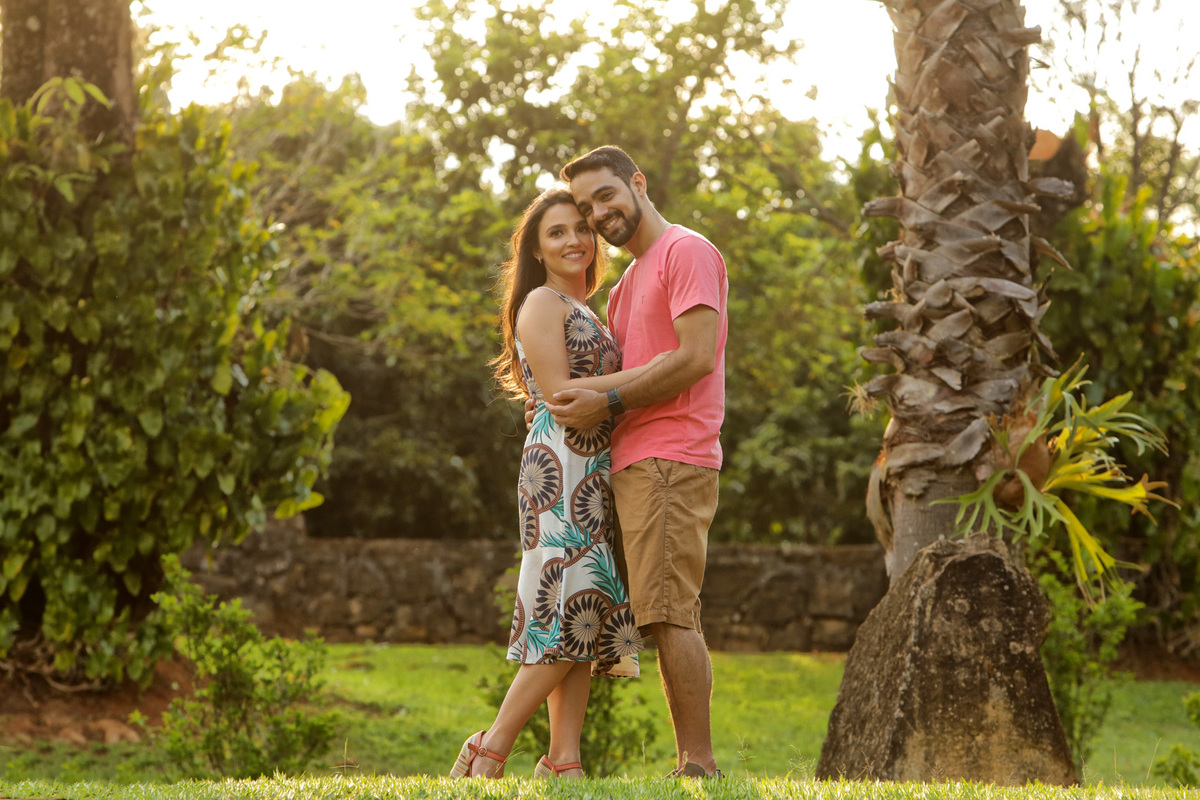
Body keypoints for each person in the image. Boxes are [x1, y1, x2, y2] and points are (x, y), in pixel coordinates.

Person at [450, 188, 666, 780]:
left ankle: (564, 760)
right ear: (537, 250)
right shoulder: (542, 302)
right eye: (557, 232)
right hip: (562, 466)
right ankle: (489, 747)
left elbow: (572, 392)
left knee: (583, 608)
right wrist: (653, 373)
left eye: (581, 228)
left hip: (593, 466)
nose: (575, 240)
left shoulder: (584, 307)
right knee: (567, 599)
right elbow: (561, 396)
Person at [543, 145, 729, 779]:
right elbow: (623, 374)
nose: (599, 214)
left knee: (669, 611)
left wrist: (608, 400)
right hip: (629, 462)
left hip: (673, 454)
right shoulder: (622, 289)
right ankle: (571, 759)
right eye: (586, 206)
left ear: (638, 184)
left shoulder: (686, 251)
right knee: (654, 611)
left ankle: (697, 766)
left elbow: (696, 356)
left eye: (606, 195)